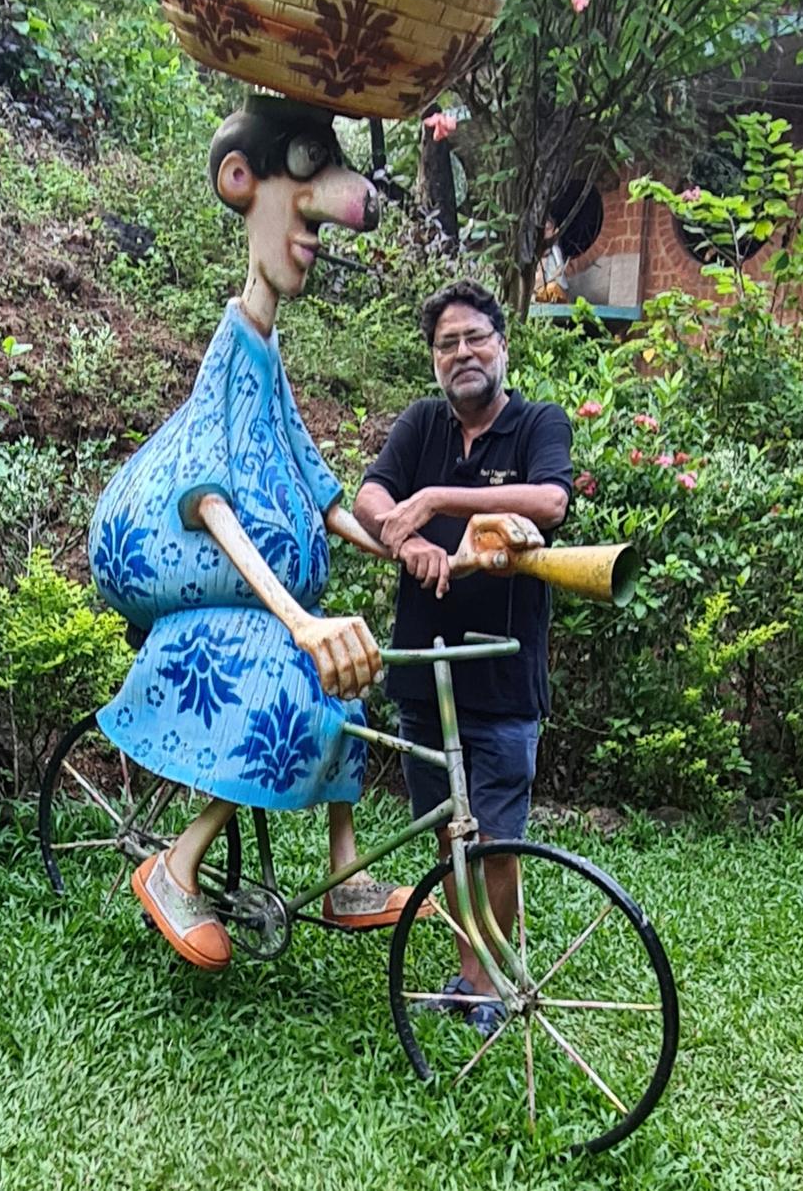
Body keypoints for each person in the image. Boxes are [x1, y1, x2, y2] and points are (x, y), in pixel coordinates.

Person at [89, 96, 419, 973]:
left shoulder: (271, 359)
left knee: (347, 689)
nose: (315, 230)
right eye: (305, 193)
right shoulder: (230, 348)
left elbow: (314, 481)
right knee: (289, 677)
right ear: (243, 183)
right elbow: (209, 498)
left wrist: (399, 542)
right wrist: (298, 618)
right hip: (214, 597)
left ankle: (346, 871)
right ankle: (176, 865)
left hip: (261, 602)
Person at [353, 279, 572, 1033]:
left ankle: (486, 984)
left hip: (504, 675)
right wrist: (407, 537)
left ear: (502, 346)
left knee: (497, 840)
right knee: (450, 833)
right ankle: (470, 970)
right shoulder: (421, 424)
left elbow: (548, 504)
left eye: (475, 338)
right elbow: (370, 499)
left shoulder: (538, 423)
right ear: (435, 360)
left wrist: (439, 501)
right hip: (424, 670)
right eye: (447, 344)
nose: (462, 354)